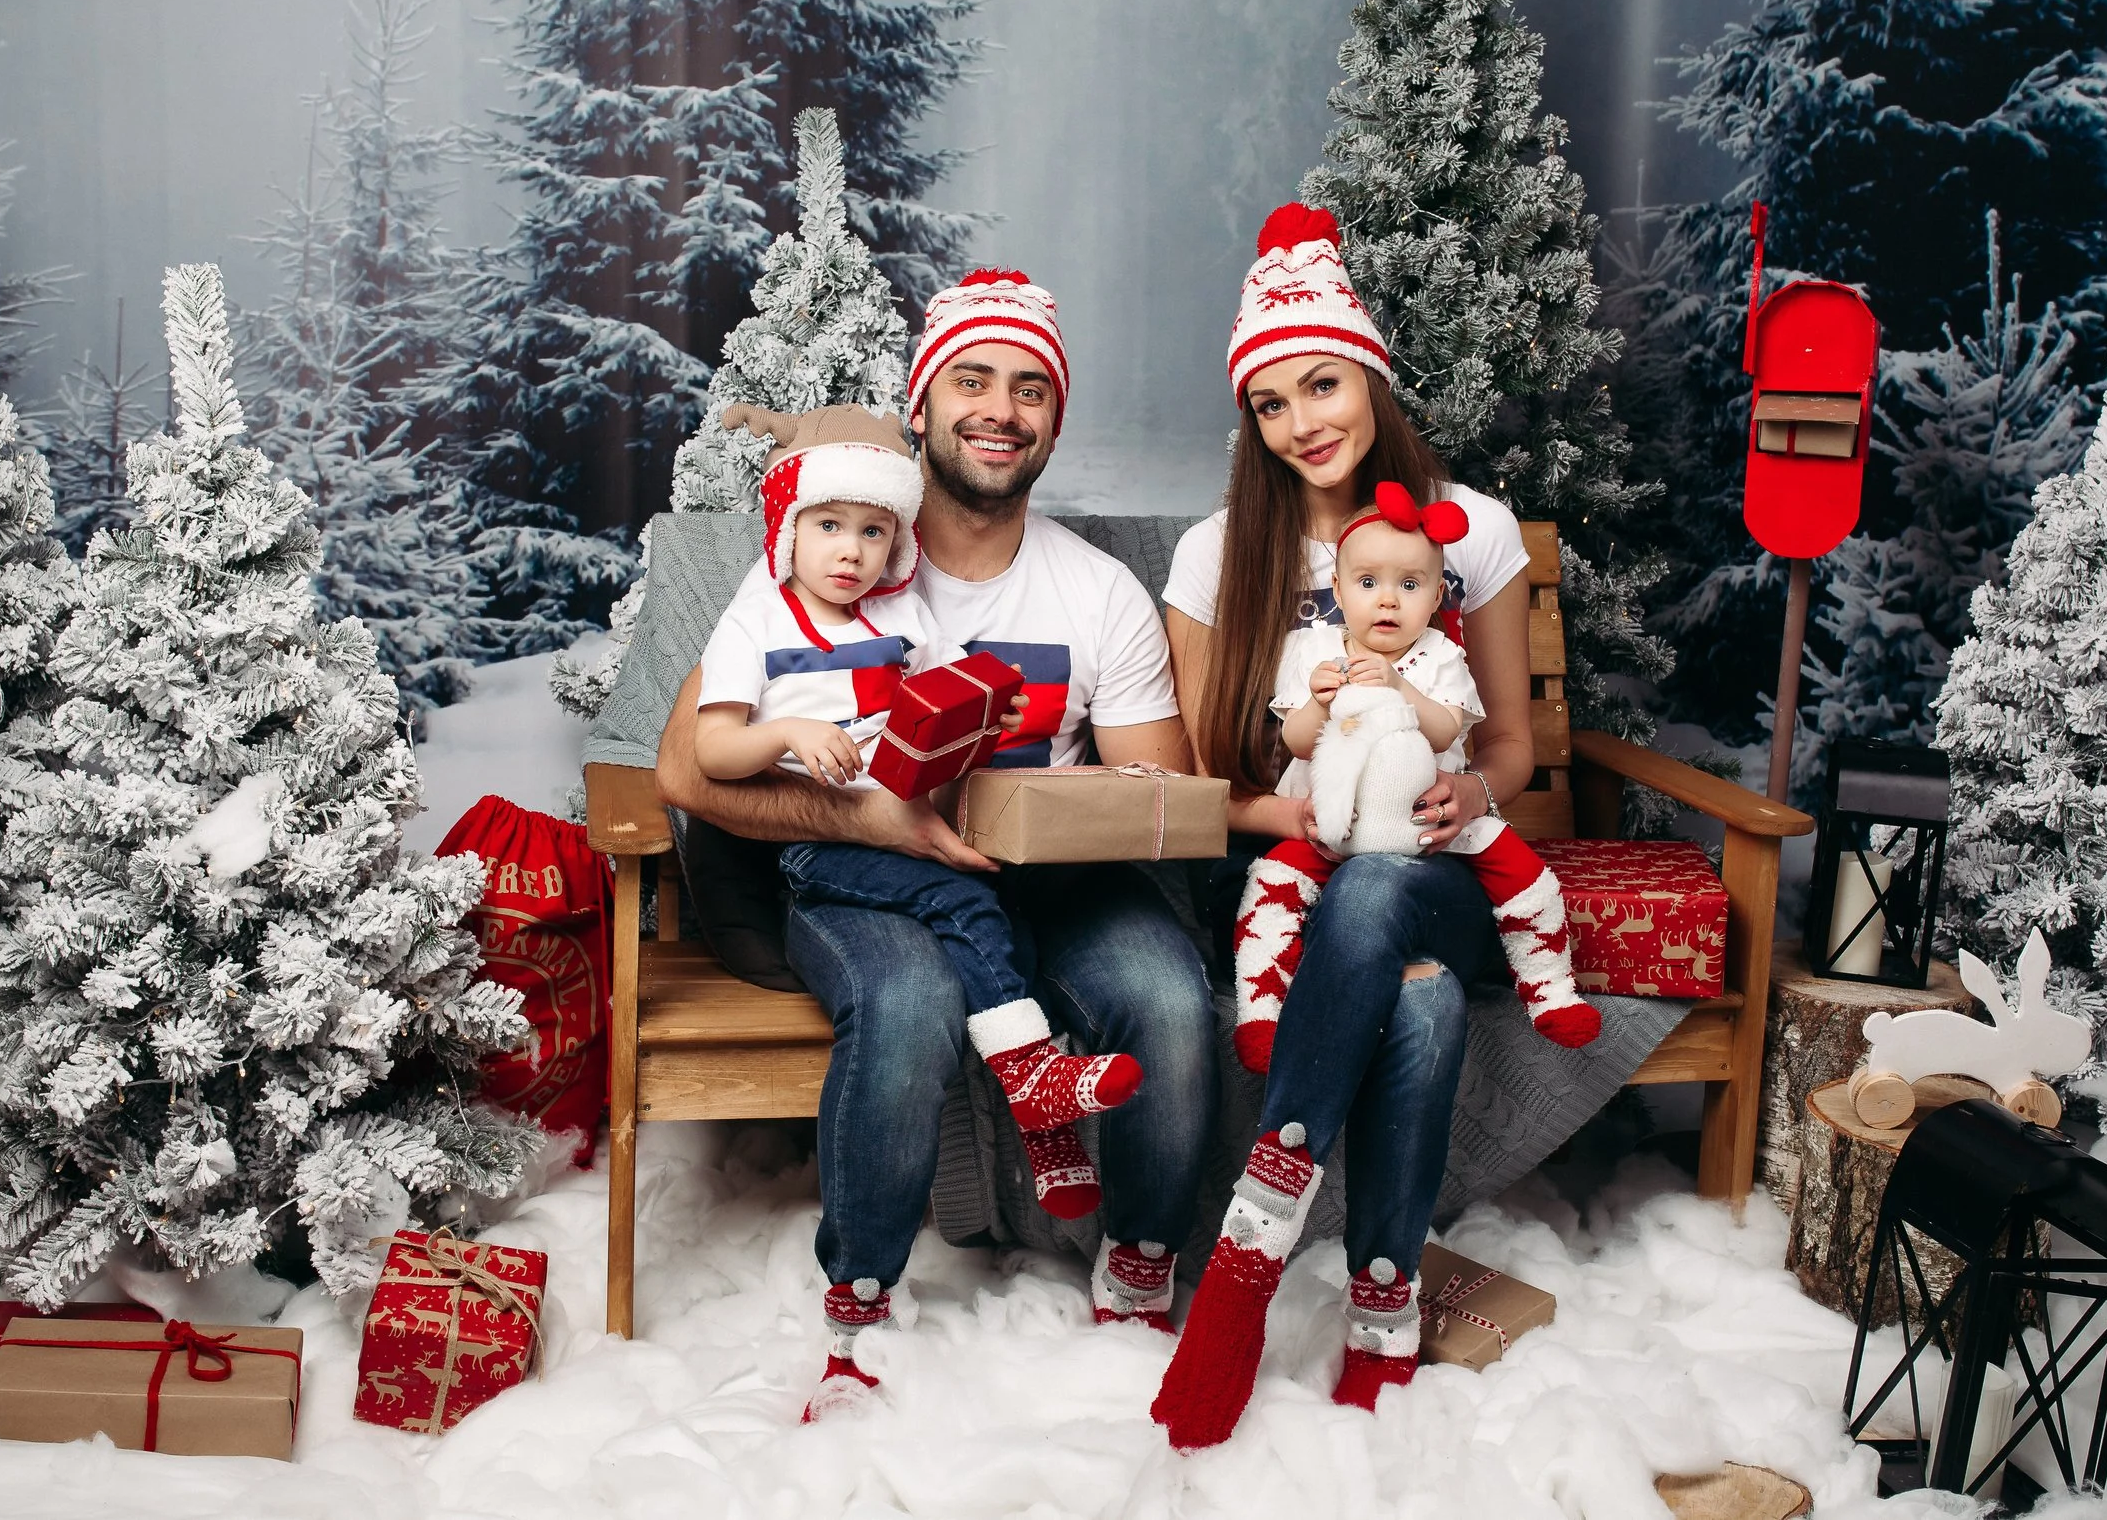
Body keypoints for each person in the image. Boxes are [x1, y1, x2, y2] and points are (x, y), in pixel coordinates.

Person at [656, 269, 1216, 1422]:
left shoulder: (1097, 590)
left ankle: (1142, 1263)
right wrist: (874, 814)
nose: (998, 408)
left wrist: (1056, 806)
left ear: (1055, 422)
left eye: (1028, 389)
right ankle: (857, 1311)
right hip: (868, 875)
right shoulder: (830, 558)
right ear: (921, 404)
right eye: (971, 378)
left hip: (1052, 882)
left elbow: (1162, 793)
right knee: (906, 1004)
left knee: (1165, 992)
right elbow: (687, 765)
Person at [1148, 203, 1545, 1448]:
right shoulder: (1221, 553)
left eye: (1320, 383)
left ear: (1368, 373)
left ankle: (1247, 1252)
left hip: (1437, 869)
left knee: (1392, 906)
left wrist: (1468, 793)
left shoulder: (1464, 527)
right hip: (1297, 871)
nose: (1301, 421)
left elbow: (1513, 748)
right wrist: (1317, 807)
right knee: (1414, 993)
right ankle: (1382, 1306)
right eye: (1269, 403)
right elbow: (1215, 778)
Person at [693, 401, 1144, 1223]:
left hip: (910, 818)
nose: (850, 550)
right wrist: (787, 730)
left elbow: (940, 699)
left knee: (990, 917)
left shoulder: (900, 615)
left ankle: (1040, 1115)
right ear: (788, 526)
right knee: (964, 901)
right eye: (828, 524)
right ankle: (1036, 1082)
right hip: (817, 845)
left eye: (872, 532)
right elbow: (710, 753)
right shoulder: (754, 619)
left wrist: (982, 715)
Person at [1227, 478, 1600, 1067]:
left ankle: (1549, 990)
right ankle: (1262, 1015)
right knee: (1269, 889)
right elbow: (1296, 744)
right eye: (1368, 583)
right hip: (1335, 825)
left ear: (1435, 599)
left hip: (1426, 825)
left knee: (1527, 876)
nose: (1388, 601)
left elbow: (1446, 732)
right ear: (1338, 588)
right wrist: (1319, 702)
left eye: (1410, 585)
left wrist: (1400, 686)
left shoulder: (1439, 656)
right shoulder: (1316, 656)